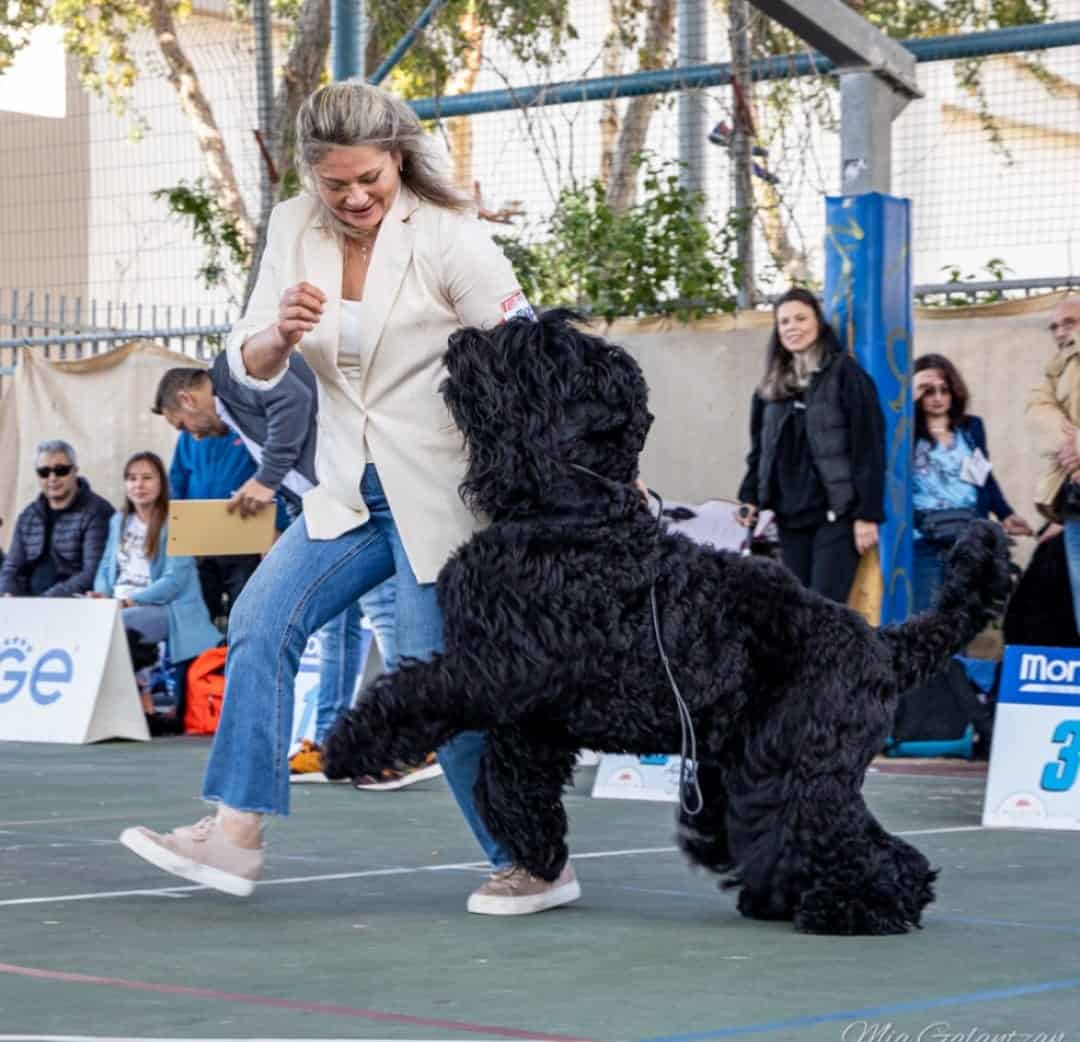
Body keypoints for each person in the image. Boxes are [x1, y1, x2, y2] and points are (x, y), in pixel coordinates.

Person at [119, 80, 578, 916]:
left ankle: (531, 861)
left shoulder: (452, 240)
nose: (357, 196)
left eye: (372, 178)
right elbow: (243, 366)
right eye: (338, 185)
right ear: (312, 177)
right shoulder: (294, 226)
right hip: (345, 489)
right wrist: (277, 336)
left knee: (442, 683)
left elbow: (535, 362)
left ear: (397, 158)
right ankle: (235, 835)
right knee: (261, 623)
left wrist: (586, 479)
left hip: (443, 493)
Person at [152, 362, 427, 786]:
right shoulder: (232, 409)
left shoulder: (235, 373)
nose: (192, 435)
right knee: (335, 629)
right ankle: (327, 742)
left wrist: (266, 479)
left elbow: (296, 404)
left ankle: (417, 738)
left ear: (188, 398)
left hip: (360, 500)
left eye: (183, 424)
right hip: (324, 510)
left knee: (387, 615)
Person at [735, 287, 885, 603]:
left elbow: (869, 446)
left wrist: (867, 514)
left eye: (801, 318)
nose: (792, 327)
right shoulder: (769, 387)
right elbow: (759, 451)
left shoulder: (844, 374)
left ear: (818, 322)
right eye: (784, 321)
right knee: (798, 610)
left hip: (836, 515)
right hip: (790, 517)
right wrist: (750, 497)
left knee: (825, 609)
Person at [90, 452, 221, 703]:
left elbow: (174, 582)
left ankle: (144, 699)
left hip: (165, 608)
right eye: (132, 478)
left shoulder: (176, 522)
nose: (139, 485)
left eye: (147, 478)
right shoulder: (119, 520)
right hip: (120, 602)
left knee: (122, 625)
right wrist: (101, 594)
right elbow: (106, 566)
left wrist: (130, 601)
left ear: (161, 483)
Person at [910, 354, 1031, 612]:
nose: (938, 398)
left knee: (961, 616)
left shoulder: (971, 427)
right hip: (924, 535)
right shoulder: (904, 429)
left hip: (968, 535)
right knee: (926, 615)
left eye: (945, 389)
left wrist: (1005, 514)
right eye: (928, 391)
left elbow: (983, 475)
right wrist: (908, 398)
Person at [163, 381, 287, 621]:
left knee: (246, 612)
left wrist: (275, 529)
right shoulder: (188, 438)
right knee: (202, 616)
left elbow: (274, 479)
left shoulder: (246, 426)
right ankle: (207, 660)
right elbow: (176, 481)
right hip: (202, 544)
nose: (192, 431)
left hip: (245, 540)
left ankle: (240, 657)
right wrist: (182, 532)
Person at [1027, 294, 1080, 634]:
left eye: (1070, 323)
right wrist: (1073, 447)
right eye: (1054, 326)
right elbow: (1036, 408)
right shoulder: (1056, 368)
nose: (1060, 332)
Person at [0, 440, 113, 598]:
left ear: (75, 471)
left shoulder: (97, 512)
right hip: (26, 604)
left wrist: (45, 602)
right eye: (44, 472)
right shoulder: (28, 515)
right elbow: (11, 568)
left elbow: (93, 572)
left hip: (73, 605)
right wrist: (8, 594)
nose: (52, 478)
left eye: (61, 470)